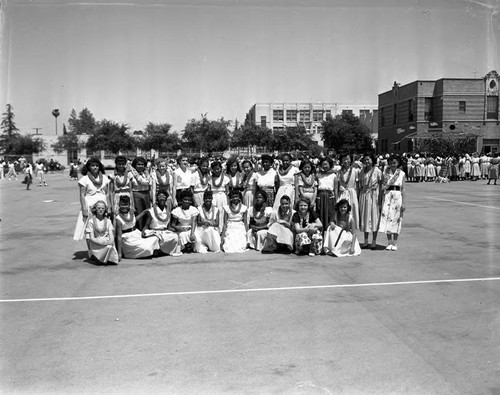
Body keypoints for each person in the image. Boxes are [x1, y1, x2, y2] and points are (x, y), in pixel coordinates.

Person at [73, 158, 112, 242]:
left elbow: (107, 194)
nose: (95, 167)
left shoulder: (105, 178)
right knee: (89, 228)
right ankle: (91, 251)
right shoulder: (84, 179)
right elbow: (82, 196)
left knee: (103, 226)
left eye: (97, 166)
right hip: (89, 205)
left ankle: (102, 247)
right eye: (93, 165)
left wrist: (109, 207)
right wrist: (84, 210)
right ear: (88, 167)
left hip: (102, 205)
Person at [378, 155, 406, 251]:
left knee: (396, 219)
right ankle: (389, 242)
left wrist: (404, 202)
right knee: (387, 217)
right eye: (391, 162)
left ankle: (395, 242)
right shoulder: (385, 173)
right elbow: (382, 187)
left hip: (397, 196)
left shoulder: (401, 173)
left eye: (394, 162)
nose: (392, 164)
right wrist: (380, 201)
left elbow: (403, 189)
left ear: (398, 163)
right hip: (387, 195)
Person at [142, 189, 181, 256]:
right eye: (160, 197)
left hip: (164, 232)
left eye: (163, 197)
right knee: (155, 239)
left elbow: (168, 227)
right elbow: (147, 225)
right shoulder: (151, 211)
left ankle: (163, 251)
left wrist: (178, 229)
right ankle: (157, 250)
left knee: (175, 236)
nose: (161, 199)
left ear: (166, 199)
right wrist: (143, 230)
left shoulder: (168, 211)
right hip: (154, 232)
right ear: (157, 198)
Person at [358, 154, 383, 249]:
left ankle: (374, 240)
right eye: (365, 160)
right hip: (364, 195)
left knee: (374, 217)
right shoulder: (362, 171)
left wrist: (380, 199)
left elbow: (381, 186)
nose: (366, 162)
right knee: (365, 217)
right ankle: (365, 240)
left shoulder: (377, 171)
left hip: (374, 196)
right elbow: (360, 184)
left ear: (372, 160)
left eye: (368, 159)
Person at [85, 200, 119, 265]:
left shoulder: (108, 221)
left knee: (109, 247)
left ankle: (105, 258)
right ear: (95, 209)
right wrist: (100, 242)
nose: (101, 210)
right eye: (99, 208)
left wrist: (109, 242)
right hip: (96, 242)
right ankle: (97, 256)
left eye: (103, 208)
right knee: (105, 250)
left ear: (105, 210)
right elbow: (91, 238)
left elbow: (111, 236)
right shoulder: (91, 221)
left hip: (106, 241)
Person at [316, 157, 338, 235]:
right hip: (320, 196)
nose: (324, 166)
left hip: (329, 197)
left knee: (329, 215)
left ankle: (329, 236)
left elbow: (335, 189)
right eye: (323, 164)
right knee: (320, 215)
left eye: (326, 164)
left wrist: (336, 200)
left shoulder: (333, 175)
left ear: (330, 165)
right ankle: (320, 236)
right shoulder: (318, 175)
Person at [129, 157, 152, 230]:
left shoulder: (146, 174)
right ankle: (139, 229)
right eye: (138, 164)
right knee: (139, 212)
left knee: (147, 212)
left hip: (146, 194)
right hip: (137, 195)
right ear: (135, 165)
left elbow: (149, 184)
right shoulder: (131, 174)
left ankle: (146, 228)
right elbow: (130, 188)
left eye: (142, 164)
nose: (140, 166)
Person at [337, 154, 360, 230]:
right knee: (341, 211)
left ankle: (351, 231)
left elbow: (357, 184)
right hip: (342, 193)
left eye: (347, 159)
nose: (346, 161)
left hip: (351, 193)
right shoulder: (339, 171)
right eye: (344, 159)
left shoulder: (355, 171)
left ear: (351, 160)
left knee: (351, 212)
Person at [210, 161, 230, 230]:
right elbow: (209, 190)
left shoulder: (225, 178)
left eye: (218, 169)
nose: (216, 171)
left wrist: (228, 200)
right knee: (215, 211)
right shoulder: (210, 178)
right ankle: (215, 228)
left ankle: (222, 228)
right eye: (214, 169)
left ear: (221, 169)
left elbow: (227, 191)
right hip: (213, 196)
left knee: (222, 212)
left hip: (222, 196)